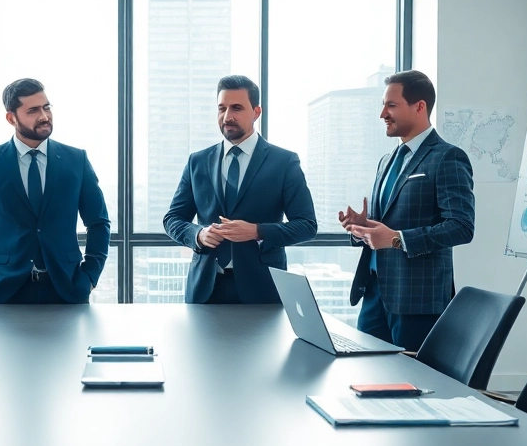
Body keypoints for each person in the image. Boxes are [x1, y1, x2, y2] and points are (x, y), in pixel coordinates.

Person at [341, 70, 475, 352]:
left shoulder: (447, 157)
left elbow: (462, 226)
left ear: (420, 106)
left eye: (391, 105)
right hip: (375, 293)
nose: (382, 114)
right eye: (383, 105)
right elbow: (385, 225)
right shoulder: (387, 160)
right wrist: (362, 226)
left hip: (417, 300)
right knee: (366, 376)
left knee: (410, 383)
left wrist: (397, 239)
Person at [163, 75, 317, 304]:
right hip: (205, 288)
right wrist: (198, 234)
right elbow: (173, 219)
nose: (227, 117)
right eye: (222, 108)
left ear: (256, 112)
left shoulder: (284, 162)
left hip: (262, 288)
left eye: (236, 108)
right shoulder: (198, 161)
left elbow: (307, 225)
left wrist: (258, 231)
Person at [0, 78, 110, 304]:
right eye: (33, 110)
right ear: (11, 118)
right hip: (5, 289)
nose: (44, 116)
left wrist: (91, 276)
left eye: (47, 107)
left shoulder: (76, 161)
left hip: (68, 287)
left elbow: (99, 223)